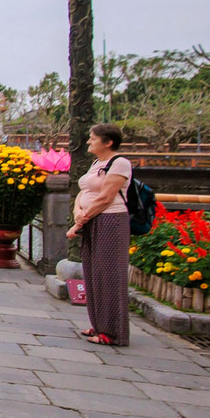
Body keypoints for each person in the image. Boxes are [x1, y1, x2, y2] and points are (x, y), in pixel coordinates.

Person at [68, 123, 133, 346]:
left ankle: (113, 332)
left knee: (109, 274)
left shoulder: (120, 163)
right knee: (93, 272)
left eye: (93, 138)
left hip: (111, 221)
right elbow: (83, 192)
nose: (89, 141)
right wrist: (78, 213)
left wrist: (80, 221)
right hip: (91, 219)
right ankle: (98, 324)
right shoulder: (97, 163)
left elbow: (106, 198)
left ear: (108, 142)